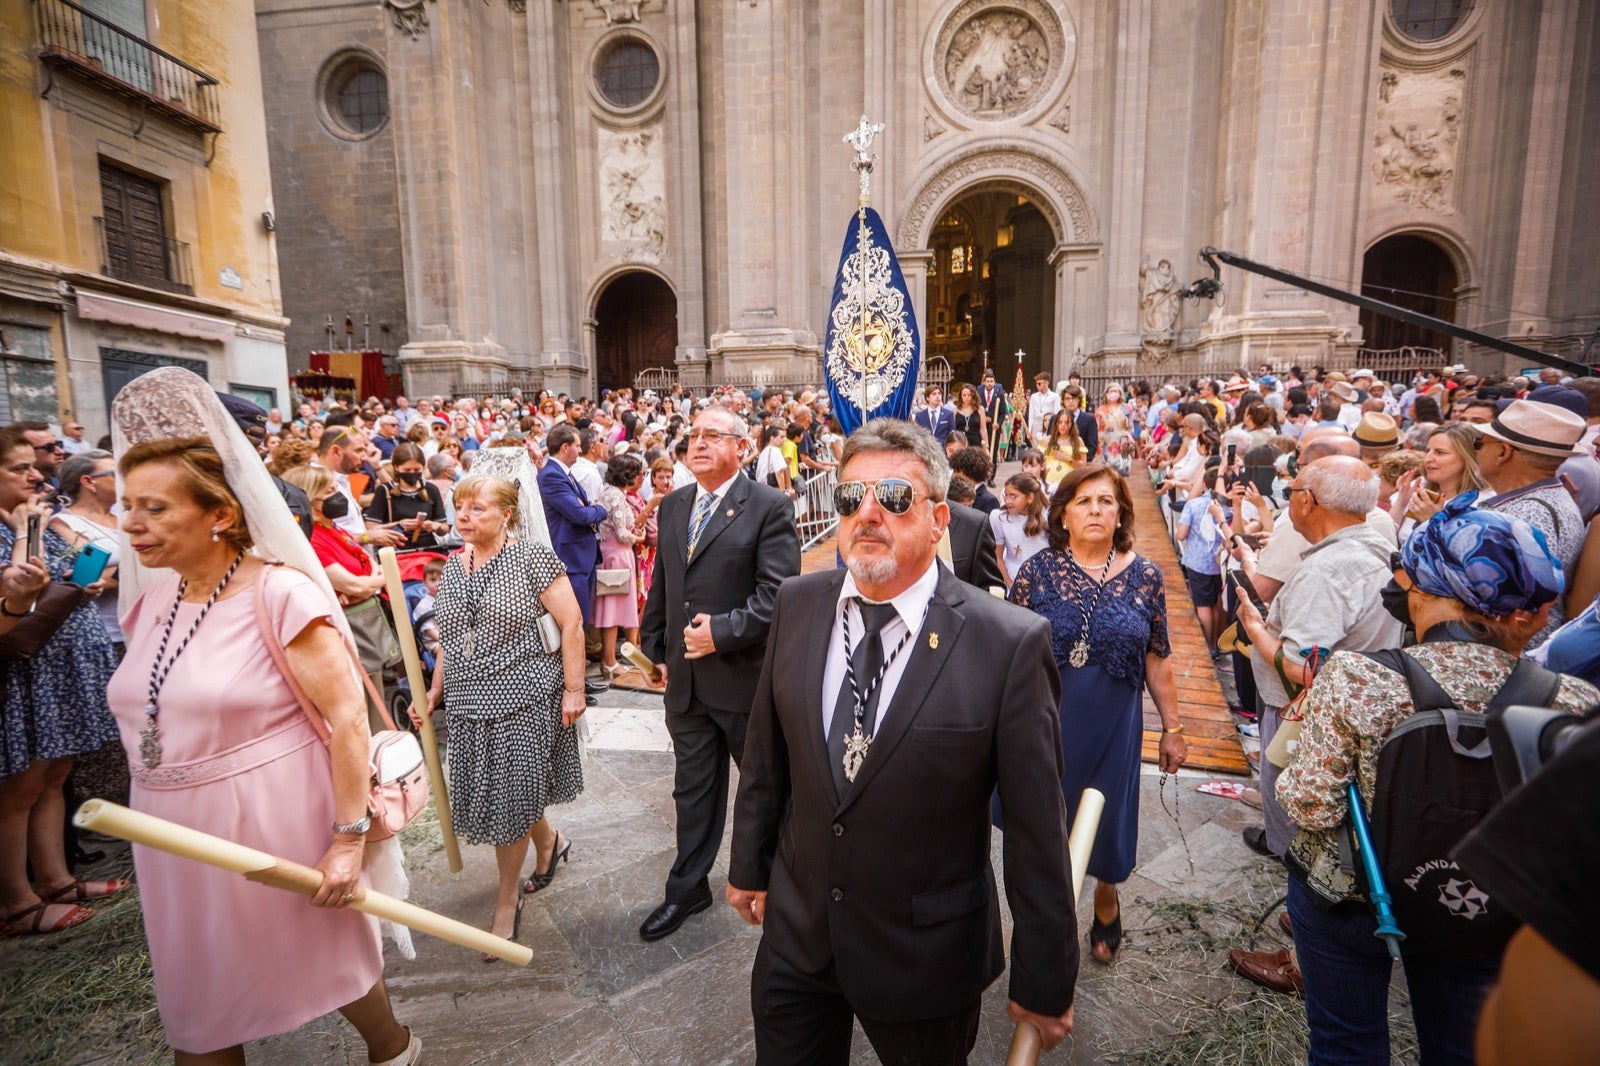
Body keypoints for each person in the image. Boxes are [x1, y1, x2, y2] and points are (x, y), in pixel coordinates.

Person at [727, 418, 1077, 1064]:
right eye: (848, 498)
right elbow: (766, 752)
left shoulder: (1008, 643)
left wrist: (1046, 976)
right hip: (797, 941)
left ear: (940, 519)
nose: (866, 514)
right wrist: (749, 864)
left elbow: (1036, 829)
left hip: (925, 958)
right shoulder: (798, 603)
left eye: (892, 498)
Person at [109, 433, 417, 1063]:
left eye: (156, 507)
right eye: (127, 505)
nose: (131, 523)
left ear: (221, 514)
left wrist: (348, 837)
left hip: (273, 817)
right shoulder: (152, 600)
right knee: (197, 997)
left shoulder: (281, 593)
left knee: (328, 957)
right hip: (171, 830)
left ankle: (392, 1049)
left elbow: (346, 717)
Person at [1277, 500, 1597, 1065]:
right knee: (1459, 1049)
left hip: (1352, 895)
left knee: (1345, 1044)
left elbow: (1311, 805)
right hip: (1483, 906)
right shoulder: (1573, 700)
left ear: (1426, 591)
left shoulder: (1358, 677)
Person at [1227, 455, 1406, 993]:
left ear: (1309, 501)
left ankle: (1308, 957)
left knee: (1306, 836)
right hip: (1357, 714)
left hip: (1308, 723)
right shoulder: (1373, 547)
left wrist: (1256, 628)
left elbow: (1306, 668)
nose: (1289, 497)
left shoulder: (1328, 570)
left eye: (1295, 489)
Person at [1006, 463, 1185, 964]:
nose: (1095, 511)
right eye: (1083, 501)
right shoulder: (1037, 572)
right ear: (1062, 514)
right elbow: (1012, 649)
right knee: (1043, 821)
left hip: (1114, 722)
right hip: (1047, 720)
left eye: (1106, 501)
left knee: (1106, 817)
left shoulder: (1146, 576)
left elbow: (1158, 655)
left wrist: (1173, 728)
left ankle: (1106, 893)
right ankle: (1045, 920)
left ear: (1121, 512)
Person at [637, 406, 800, 942]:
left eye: (713, 435)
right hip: (685, 682)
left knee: (763, 787)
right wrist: (653, 645)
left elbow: (780, 596)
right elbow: (665, 580)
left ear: (742, 448)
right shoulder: (675, 504)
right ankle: (687, 889)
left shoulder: (769, 506)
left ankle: (777, 885)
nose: (698, 443)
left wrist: (723, 632)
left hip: (742, 680)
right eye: (693, 435)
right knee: (692, 791)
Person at [414, 471, 588, 953]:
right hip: (470, 702)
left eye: (477, 508)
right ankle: (550, 842)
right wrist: (434, 691)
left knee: (508, 798)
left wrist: (574, 689)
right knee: (504, 789)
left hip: (525, 696)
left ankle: (507, 901)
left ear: (507, 514)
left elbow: (570, 621)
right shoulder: (453, 565)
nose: (464, 517)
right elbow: (450, 637)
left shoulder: (531, 556)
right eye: (460, 507)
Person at [0, 430, 121, 938]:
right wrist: (28, 532)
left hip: (63, 658)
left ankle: (55, 879)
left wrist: (80, 575)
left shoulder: (38, 518)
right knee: (21, 787)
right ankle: (17, 901)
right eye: (19, 468)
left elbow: (81, 566)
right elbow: (25, 583)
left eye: (36, 466)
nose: (36, 475)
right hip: (29, 664)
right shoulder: (16, 527)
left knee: (54, 776)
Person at [279, 465, 400, 729]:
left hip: (365, 625)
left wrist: (369, 583)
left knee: (375, 697)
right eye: (330, 492)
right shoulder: (312, 540)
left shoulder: (335, 529)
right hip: (346, 631)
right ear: (309, 499)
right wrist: (375, 582)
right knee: (361, 704)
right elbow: (354, 584)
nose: (338, 496)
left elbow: (369, 566)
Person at [1474, 399, 1587, 644]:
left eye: (1480, 443)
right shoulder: (1546, 498)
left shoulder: (1523, 516)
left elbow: (1510, 611)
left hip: (1506, 656)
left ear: (1503, 452)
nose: (1478, 450)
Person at [537, 424, 608, 628]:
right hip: (571, 558)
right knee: (575, 623)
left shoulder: (564, 473)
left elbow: (583, 510)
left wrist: (590, 510)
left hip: (581, 556)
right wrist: (600, 510)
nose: (581, 449)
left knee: (581, 621)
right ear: (565, 447)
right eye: (577, 445)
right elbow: (579, 514)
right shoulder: (551, 475)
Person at [55, 449, 123, 651]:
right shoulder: (64, 524)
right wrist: (142, 568)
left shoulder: (123, 519)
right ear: (88, 482)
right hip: (106, 634)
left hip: (143, 626)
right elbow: (84, 578)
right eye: (115, 474)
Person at [1389, 422, 1491, 540]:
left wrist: (1433, 520)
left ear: (1468, 456)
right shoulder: (1419, 486)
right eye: (1428, 451)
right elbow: (1388, 538)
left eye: (1440, 452)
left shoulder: (1482, 503)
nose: (1427, 459)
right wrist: (1401, 502)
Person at [594, 452, 644, 679]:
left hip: (610, 552)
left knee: (611, 610)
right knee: (612, 611)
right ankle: (610, 662)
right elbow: (623, 533)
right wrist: (638, 539)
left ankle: (610, 660)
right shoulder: (616, 495)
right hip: (617, 554)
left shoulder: (608, 491)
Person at [365, 442, 448, 548]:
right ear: (396, 467)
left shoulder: (431, 490)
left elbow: (444, 526)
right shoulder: (385, 491)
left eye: (417, 470)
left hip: (428, 549)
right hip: (398, 550)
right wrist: (398, 526)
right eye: (407, 470)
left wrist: (436, 526)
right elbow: (371, 527)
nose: (412, 473)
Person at [990, 472, 1050, 587]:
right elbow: (998, 557)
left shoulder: (1047, 517)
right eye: (1006, 495)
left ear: (1030, 497)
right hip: (1013, 576)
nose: (1008, 501)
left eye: (1013, 496)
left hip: (1043, 578)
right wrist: (1010, 584)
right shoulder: (1000, 518)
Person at [1039, 408, 1088, 490]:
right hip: (1048, 483)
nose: (1063, 425)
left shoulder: (1078, 441)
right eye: (1060, 422)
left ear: (1071, 424)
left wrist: (1068, 459)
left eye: (1066, 422)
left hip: (1069, 483)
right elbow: (1038, 462)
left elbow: (1083, 466)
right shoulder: (1046, 440)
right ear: (1056, 423)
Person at [1095, 384, 1134, 474]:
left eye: (1116, 391)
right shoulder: (1100, 410)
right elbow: (1096, 427)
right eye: (1111, 391)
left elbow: (1130, 426)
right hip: (1104, 442)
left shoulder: (1127, 408)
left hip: (1121, 441)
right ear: (1106, 394)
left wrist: (1129, 438)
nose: (1113, 393)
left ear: (1120, 394)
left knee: (1120, 470)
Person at [950, 383, 988, 452]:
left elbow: (983, 429)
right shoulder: (955, 410)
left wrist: (986, 446)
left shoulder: (980, 409)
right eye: (964, 395)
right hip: (961, 443)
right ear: (960, 396)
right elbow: (953, 429)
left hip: (976, 443)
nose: (966, 397)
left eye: (969, 395)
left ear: (973, 396)